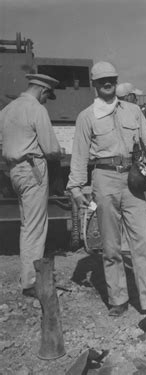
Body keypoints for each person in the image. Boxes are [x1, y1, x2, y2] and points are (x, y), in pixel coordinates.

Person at [67, 61, 146, 317]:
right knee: (110, 245)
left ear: (116, 80)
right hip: (103, 178)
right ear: (95, 84)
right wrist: (76, 188)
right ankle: (118, 299)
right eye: (101, 80)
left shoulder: (132, 111)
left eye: (111, 78)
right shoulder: (86, 117)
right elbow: (78, 156)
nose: (107, 83)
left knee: (144, 240)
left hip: (133, 181)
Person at [0, 73, 63, 298]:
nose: (46, 101)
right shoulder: (36, 109)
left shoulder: (6, 110)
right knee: (35, 226)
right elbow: (51, 148)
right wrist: (59, 151)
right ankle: (32, 282)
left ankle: (27, 276)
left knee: (27, 224)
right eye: (47, 96)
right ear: (43, 90)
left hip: (14, 170)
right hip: (33, 168)